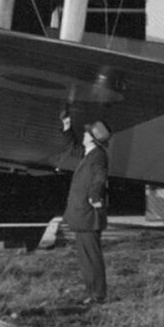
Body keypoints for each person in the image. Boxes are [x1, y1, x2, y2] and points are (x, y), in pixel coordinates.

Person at [62, 118, 111, 304]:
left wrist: (95, 197)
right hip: (84, 214)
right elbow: (73, 146)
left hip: (88, 214)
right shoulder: (89, 152)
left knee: (91, 256)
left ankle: (98, 294)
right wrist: (67, 126)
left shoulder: (98, 155)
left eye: (86, 133)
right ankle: (93, 293)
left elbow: (100, 177)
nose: (83, 135)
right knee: (86, 256)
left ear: (92, 138)